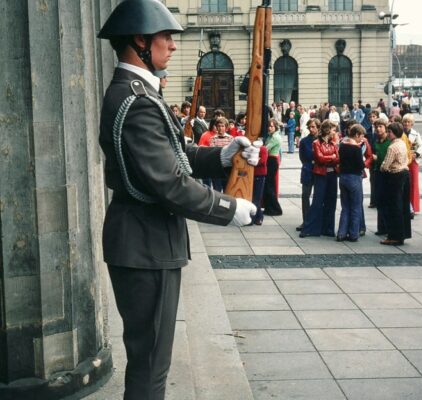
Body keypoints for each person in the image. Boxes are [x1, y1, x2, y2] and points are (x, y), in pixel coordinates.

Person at [97, 1, 260, 398]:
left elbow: (176, 154)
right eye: (165, 37)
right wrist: (230, 207)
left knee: (152, 361)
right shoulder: (135, 101)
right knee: (150, 366)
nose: (171, 45)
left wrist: (223, 155)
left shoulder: (137, 94)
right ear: (140, 40)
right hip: (144, 245)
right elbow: (170, 184)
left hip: (146, 242)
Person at [299, 120, 339, 238]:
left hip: (332, 175)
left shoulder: (333, 143)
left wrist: (330, 158)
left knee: (331, 202)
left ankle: (328, 228)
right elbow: (319, 159)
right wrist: (331, 157)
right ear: (328, 130)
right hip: (321, 174)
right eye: (333, 130)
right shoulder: (316, 143)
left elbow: (338, 158)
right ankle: (308, 228)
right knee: (317, 201)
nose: (335, 132)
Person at [380, 122, 411, 245]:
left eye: (389, 132)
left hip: (395, 176)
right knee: (403, 206)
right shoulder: (402, 143)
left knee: (394, 207)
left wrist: (382, 165)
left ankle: (394, 236)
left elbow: (385, 165)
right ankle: (403, 233)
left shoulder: (392, 147)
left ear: (394, 133)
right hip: (404, 174)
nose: (388, 134)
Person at [336, 124, 366, 242]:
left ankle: (341, 233)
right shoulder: (356, 148)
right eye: (361, 136)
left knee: (345, 207)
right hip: (354, 178)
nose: (362, 138)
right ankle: (353, 234)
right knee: (355, 207)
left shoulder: (342, 146)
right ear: (356, 134)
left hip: (343, 178)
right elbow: (360, 165)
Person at [296, 118, 320, 231]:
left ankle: (316, 220)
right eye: (309, 127)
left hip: (319, 171)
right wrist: (309, 163)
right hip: (307, 170)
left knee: (318, 197)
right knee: (305, 195)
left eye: (313, 127)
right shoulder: (304, 141)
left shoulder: (321, 140)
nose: (311, 129)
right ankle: (306, 220)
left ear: (318, 128)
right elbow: (302, 157)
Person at [402, 113, 422, 215]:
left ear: (412, 123)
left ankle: (414, 207)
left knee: (414, 184)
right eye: (405, 122)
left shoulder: (416, 134)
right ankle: (405, 205)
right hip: (403, 161)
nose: (407, 124)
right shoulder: (400, 133)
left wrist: (416, 153)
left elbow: (421, 146)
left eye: (409, 122)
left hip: (413, 162)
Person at [372, 118, 391, 235]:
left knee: (386, 200)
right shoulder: (375, 141)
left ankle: (387, 227)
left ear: (385, 128)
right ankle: (381, 227)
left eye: (380, 127)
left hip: (387, 173)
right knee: (379, 200)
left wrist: (377, 158)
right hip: (377, 172)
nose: (378, 129)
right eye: (376, 127)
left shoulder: (389, 142)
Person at [263, 118, 283, 216]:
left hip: (272, 161)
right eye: (268, 126)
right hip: (269, 160)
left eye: (271, 126)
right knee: (268, 185)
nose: (269, 128)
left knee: (269, 185)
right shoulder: (271, 136)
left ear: (275, 127)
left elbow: (266, 148)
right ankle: (269, 207)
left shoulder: (275, 137)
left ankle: (276, 208)